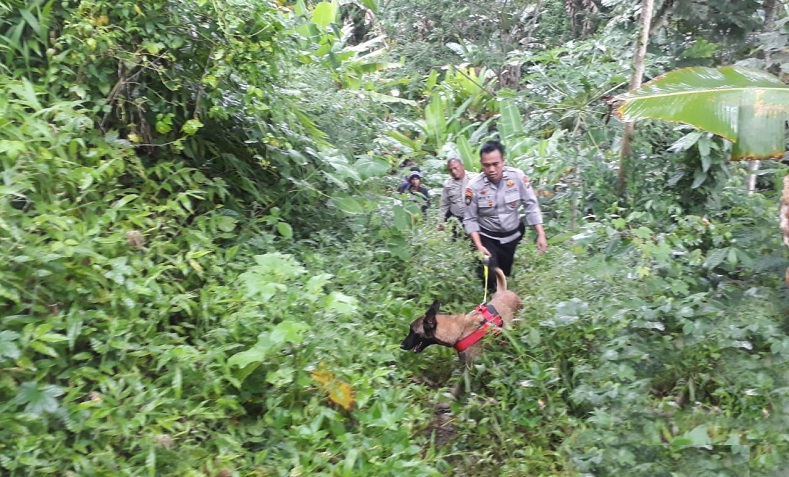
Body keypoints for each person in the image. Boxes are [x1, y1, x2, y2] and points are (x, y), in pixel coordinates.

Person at [463, 140, 547, 291]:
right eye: (486, 165)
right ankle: (490, 303)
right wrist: (479, 246)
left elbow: (531, 205)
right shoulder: (474, 186)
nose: (491, 169)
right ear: (481, 164)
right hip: (487, 236)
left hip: (511, 235)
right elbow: (470, 218)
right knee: (489, 272)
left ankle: (503, 298)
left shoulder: (517, 178)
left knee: (505, 272)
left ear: (503, 161)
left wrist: (540, 234)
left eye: (496, 164)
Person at [439, 158, 476, 235]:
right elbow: (444, 204)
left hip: (474, 219)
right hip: (457, 220)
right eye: (450, 170)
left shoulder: (474, 179)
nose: (453, 171)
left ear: (462, 166)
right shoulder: (448, 184)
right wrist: (440, 221)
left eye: (455, 168)